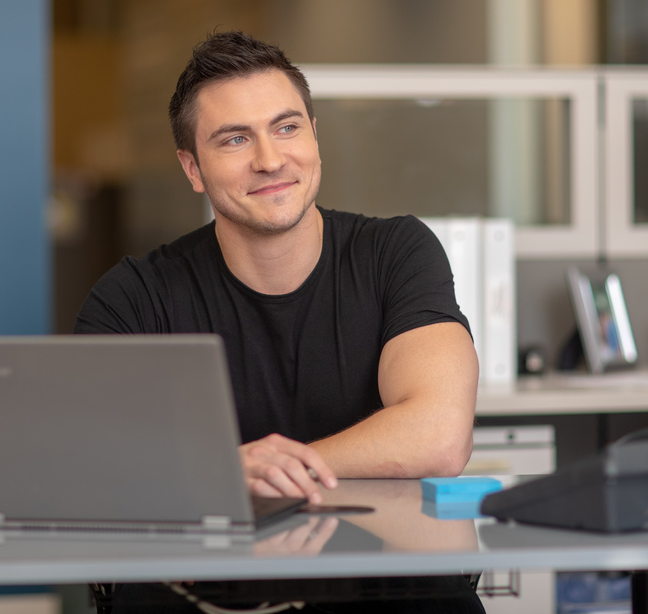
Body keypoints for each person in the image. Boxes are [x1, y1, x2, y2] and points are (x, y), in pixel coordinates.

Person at [75, 31, 482, 613]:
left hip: (388, 596)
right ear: (192, 168)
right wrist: (225, 472)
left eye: (287, 127)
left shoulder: (396, 253)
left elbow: (440, 435)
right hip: (200, 602)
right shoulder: (135, 297)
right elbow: (88, 463)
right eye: (235, 139)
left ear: (315, 136)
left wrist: (249, 476)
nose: (269, 159)